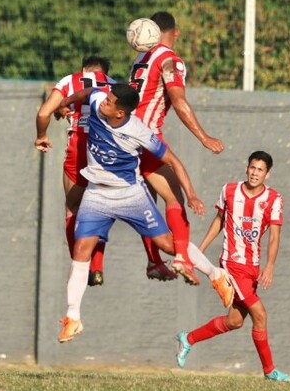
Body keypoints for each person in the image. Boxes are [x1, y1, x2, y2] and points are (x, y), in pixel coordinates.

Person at [56, 83, 206, 343]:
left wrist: (191, 193)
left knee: (168, 244)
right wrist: (64, 102)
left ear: (120, 114)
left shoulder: (138, 131)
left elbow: (173, 161)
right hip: (97, 195)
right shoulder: (98, 101)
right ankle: (73, 318)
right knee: (81, 251)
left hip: (129, 195)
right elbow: (87, 93)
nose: (104, 102)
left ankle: (216, 275)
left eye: (110, 102)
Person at [90, 11, 226, 291]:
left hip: (123, 140)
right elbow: (178, 101)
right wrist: (204, 137)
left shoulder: (140, 60)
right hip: (146, 139)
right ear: (175, 32)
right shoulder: (170, 60)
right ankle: (183, 259)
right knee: (175, 198)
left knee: (146, 204)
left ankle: (153, 261)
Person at [35, 56, 176, 286]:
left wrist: (41, 136)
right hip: (111, 155)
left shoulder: (70, 81)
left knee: (74, 207)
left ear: (83, 69)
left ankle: (81, 266)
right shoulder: (115, 88)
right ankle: (148, 261)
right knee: (139, 207)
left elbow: (43, 114)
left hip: (79, 149)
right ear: (106, 72)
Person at [175, 151, 290, 382]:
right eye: (252, 167)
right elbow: (218, 221)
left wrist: (269, 266)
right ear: (246, 168)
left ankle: (187, 338)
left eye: (260, 170)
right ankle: (270, 371)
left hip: (252, 268)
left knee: (235, 321)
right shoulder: (229, 190)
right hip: (232, 264)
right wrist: (197, 251)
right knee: (260, 315)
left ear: (267, 174)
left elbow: (275, 237)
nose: (254, 173)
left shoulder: (274, 199)